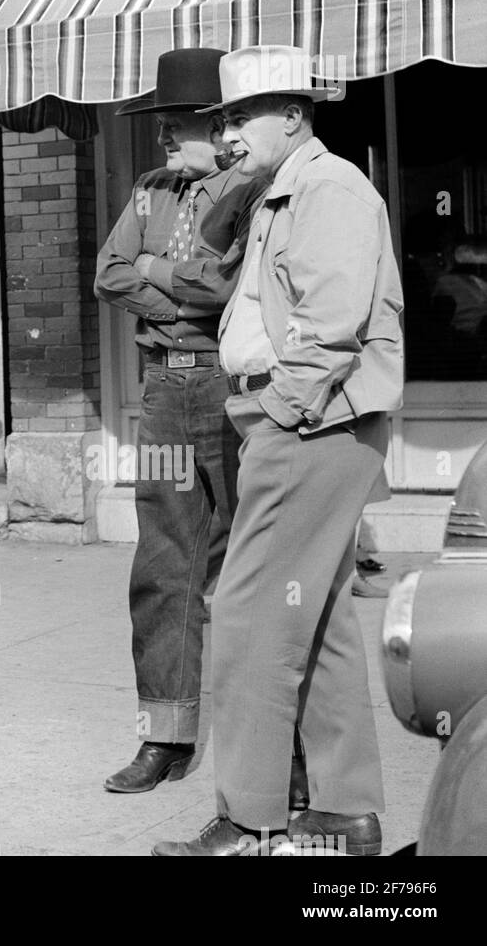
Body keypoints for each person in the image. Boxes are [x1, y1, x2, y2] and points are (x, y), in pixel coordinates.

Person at [154, 46, 403, 857]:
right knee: (319, 617)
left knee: (245, 618)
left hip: (308, 423)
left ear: (292, 114)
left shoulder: (326, 187)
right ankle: (342, 812)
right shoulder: (280, 190)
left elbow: (331, 326)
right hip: (311, 421)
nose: (225, 134)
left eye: (239, 116)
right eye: (220, 119)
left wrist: (278, 413)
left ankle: (248, 819)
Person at [94, 48, 264, 793]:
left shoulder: (252, 190)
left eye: (176, 126)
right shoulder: (148, 191)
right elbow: (108, 274)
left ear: (218, 123)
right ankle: (164, 734)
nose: (162, 138)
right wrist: (183, 293)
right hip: (164, 392)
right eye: (159, 126)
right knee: (162, 563)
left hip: (231, 390)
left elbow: (225, 288)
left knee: (246, 565)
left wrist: (166, 278)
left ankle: (259, 743)